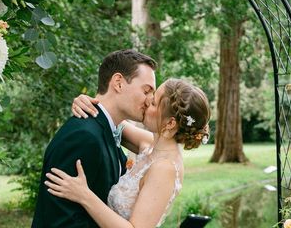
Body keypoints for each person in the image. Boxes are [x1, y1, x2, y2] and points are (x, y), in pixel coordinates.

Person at [45, 78, 210, 228]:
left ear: (170, 123)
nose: (147, 101)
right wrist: (86, 102)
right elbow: (109, 116)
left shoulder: (165, 169)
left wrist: (84, 195)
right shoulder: (150, 144)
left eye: (153, 103)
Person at [32, 49, 157, 228]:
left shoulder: (107, 130)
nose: (150, 100)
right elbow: (60, 220)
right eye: (146, 91)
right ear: (119, 83)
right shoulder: (83, 135)